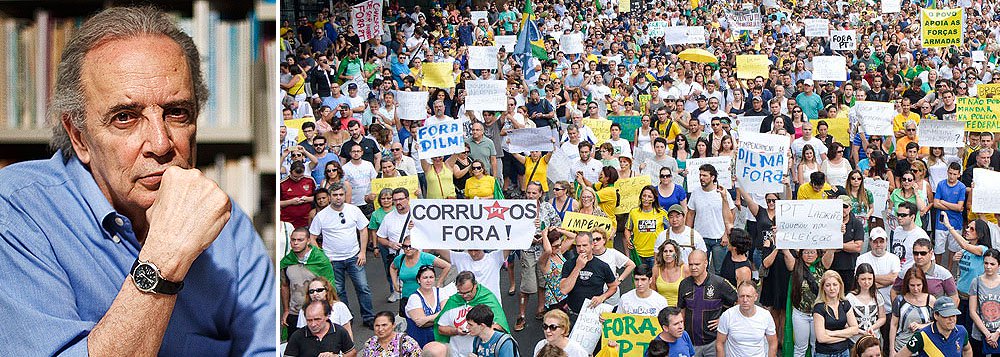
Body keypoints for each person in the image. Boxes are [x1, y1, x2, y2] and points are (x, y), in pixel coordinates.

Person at [0, 7, 275, 355]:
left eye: (177, 112)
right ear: (79, 136)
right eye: (125, 117)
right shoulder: (16, 212)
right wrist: (164, 259)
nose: (160, 144)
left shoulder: (226, 225)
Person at [308, 183, 375, 328]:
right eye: (335, 195)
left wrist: (363, 252)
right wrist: (322, 256)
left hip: (354, 257)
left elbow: (363, 229)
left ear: (345, 196)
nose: (338, 198)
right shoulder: (321, 215)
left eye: (341, 195)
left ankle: (369, 317)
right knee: (339, 291)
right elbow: (312, 237)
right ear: (329, 197)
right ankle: (346, 318)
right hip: (332, 260)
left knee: (363, 287)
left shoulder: (353, 210)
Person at [677, 250, 738, 356]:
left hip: (714, 342)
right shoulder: (684, 284)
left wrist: (723, 319)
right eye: (690, 264)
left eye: (697, 264)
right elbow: (681, 310)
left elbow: (740, 301)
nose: (693, 267)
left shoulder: (719, 283)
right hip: (691, 343)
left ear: (706, 263)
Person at [434, 271, 509, 357]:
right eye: (461, 292)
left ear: (475, 285)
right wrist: (456, 331)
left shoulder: (487, 299)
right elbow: (440, 329)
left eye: (468, 292)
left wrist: (478, 330)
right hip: (455, 353)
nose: (465, 296)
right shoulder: (453, 301)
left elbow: (500, 327)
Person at [281, 227, 336, 337]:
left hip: (316, 313)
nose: (295, 243)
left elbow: (330, 287)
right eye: (293, 240)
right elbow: (284, 286)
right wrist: (286, 310)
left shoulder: (321, 260)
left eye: (300, 240)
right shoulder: (287, 262)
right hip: (295, 312)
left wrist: (327, 310)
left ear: (308, 241)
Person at [784, 248, 834, 357]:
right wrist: (783, 244)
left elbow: (831, 251)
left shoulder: (821, 265)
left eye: (812, 252)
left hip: (818, 314)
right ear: (801, 253)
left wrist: (835, 241)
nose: (809, 255)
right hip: (801, 314)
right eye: (806, 252)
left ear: (817, 253)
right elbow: (786, 253)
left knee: (816, 345)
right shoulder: (796, 265)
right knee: (800, 347)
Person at [687, 164, 736, 274]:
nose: (701, 178)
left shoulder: (722, 192)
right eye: (700, 175)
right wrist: (688, 234)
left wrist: (726, 234)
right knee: (700, 270)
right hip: (700, 238)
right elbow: (690, 214)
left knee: (720, 270)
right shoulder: (695, 192)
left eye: (704, 175)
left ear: (713, 177)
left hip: (719, 238)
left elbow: (732, 212)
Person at [559, 232, 619, 314]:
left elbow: (613, 287)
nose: (581, 249)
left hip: (593, 313)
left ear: (592, 245)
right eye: (578, 246)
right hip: (573, 312)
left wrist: (602, 297)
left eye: (584, 245)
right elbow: (564, 290)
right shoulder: (568, 264)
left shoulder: (602, 266)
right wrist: (578, 267)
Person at [390, 235, 450, 316]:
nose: (408, 249)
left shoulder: (425, 257)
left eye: (411, 246)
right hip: (406, 297)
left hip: (425, 298)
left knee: (424, 321)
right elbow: (392, 267)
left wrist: (439, 283)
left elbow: (447, 266)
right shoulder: (400, 259)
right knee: (409, 321)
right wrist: (395, 284)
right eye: (405, 246)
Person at [716, 281, 778, 357]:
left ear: (755, 297)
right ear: (738, 296)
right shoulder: (727, 315)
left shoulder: (765, 316)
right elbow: (720, 343)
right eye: (742, 296)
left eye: (748, 296)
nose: (745, 300)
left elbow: (773, 342)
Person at [895, 296, 972, 357]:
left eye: (953, 315)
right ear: (936, 315)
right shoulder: (922, 336)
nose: (951, 319)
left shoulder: (961, 331)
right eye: (946, 316)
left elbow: (967, 350)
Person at [889, 267, 936, 354]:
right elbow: (893, 325)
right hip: (901, 345)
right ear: (907, 284)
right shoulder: (900, 300)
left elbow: (938, 323)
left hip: (924, 347)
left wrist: (921, 326)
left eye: (918, 285)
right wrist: (891, 349)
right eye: (912, 285)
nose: (915, 289)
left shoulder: (931, 300)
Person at [812, 270, 859, 357]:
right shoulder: (819, 307)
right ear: (823, 288)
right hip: (824, 354)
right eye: (828, 285)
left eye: (835, 284)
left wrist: (831, 333)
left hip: (844, 352)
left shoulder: (845, 303)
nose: (832, 288)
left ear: (840, 285)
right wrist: (845, 336)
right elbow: (821, 338)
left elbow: (855, 329)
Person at [284, 301, 356, 357]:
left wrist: (337, 356)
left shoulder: (339, 331)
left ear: (327, 316)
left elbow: (352, 353)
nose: (313, 324)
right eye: (309, 320)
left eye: (317, 319)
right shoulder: (297, 336)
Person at [626, 186, 670, 268]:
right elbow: (627, 228)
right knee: (640, 275)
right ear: (640, 197)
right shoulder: (633, 212)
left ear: (654, 199)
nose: (646, 199)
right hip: (638, 254)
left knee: (655, 275)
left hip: (656, 253)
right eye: (644, 196)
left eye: (649, 196)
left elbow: (671, 228)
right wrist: (628, 240)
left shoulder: (661, 213)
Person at [846, 263, 887, 344]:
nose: (867, 282)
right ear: (857, 279)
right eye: (863, 279)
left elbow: (882, 317)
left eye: (870, 279)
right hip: (855, 340)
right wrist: (861, 332)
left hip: (874, 338)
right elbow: (846, 322)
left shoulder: (877, 296)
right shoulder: (850, 298)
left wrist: (872, 328)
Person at [969, 249, 1000, 355]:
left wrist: (997, 333)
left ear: (998, 265)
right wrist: (987, 334)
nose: (988, 267)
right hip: (980, 333)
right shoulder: (976, 282)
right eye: (986, 263)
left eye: (992, 264)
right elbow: (972, 311)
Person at [891, 202, 931, 271]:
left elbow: (930, 259)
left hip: (911, 273)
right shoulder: (897, 230)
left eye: (903, 215)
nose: (899, 218)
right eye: (898, 214)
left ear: (912, 217)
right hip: (895, 271)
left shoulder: (921, 235)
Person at [653, 240, 690, 307]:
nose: (668, 254)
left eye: (671, 251)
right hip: (660, 308)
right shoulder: (656, 269)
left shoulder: (685, 269)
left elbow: (690, 293)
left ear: (676, 253)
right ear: (662, 253)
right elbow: (652, 292)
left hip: (679, 308)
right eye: (665, 251)